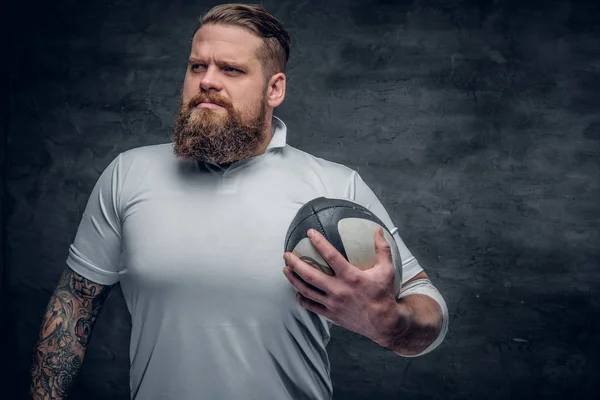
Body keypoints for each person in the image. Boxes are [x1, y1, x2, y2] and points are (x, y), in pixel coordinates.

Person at [29, 3, 449, 399]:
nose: (207, 80)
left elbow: (426, 303)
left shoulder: (334, 188)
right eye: (197, 66)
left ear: (274, 88)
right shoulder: (128, 173)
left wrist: (387, 322)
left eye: (230, 69)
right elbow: (74, 303)